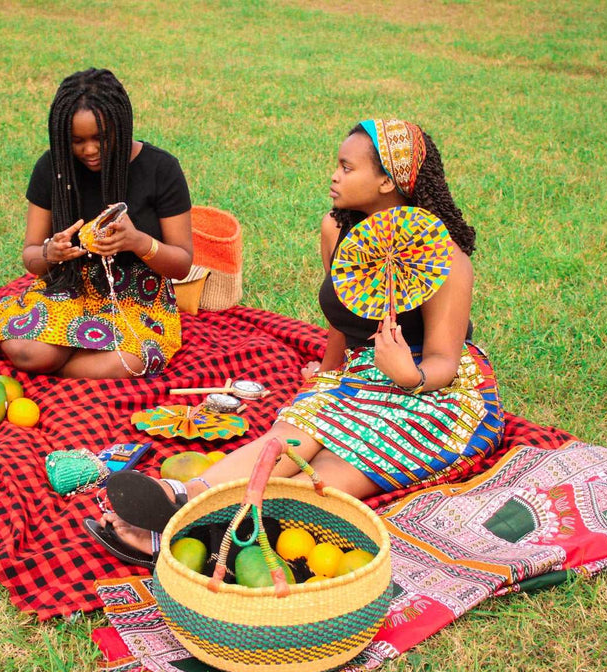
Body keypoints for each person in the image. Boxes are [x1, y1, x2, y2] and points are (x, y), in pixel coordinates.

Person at [87, 119, 503, 567]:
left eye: (347, 168)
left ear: (387, 181)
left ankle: (202, 539)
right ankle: (185, 495)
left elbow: (445, 359)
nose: (334, 176)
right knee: (290, 436)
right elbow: (343, 318)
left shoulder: (446, 259)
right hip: (366, 373)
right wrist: (328, 373)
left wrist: (410, 374)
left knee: (328, 476)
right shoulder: (338, 230)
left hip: (437, 393)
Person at [0, 68, 193, 379]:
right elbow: (31, 256)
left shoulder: (161, 168)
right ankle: (43, 350)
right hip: (68, 290)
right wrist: (51, 253)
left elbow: (182, 264)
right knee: (30, 352)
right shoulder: (52, 167)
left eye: (100, 138)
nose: (89, 150)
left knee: (128, 362)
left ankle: (36, 351)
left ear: (121, 125)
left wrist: (138, 242)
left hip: (138, 300)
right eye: (76, 141)